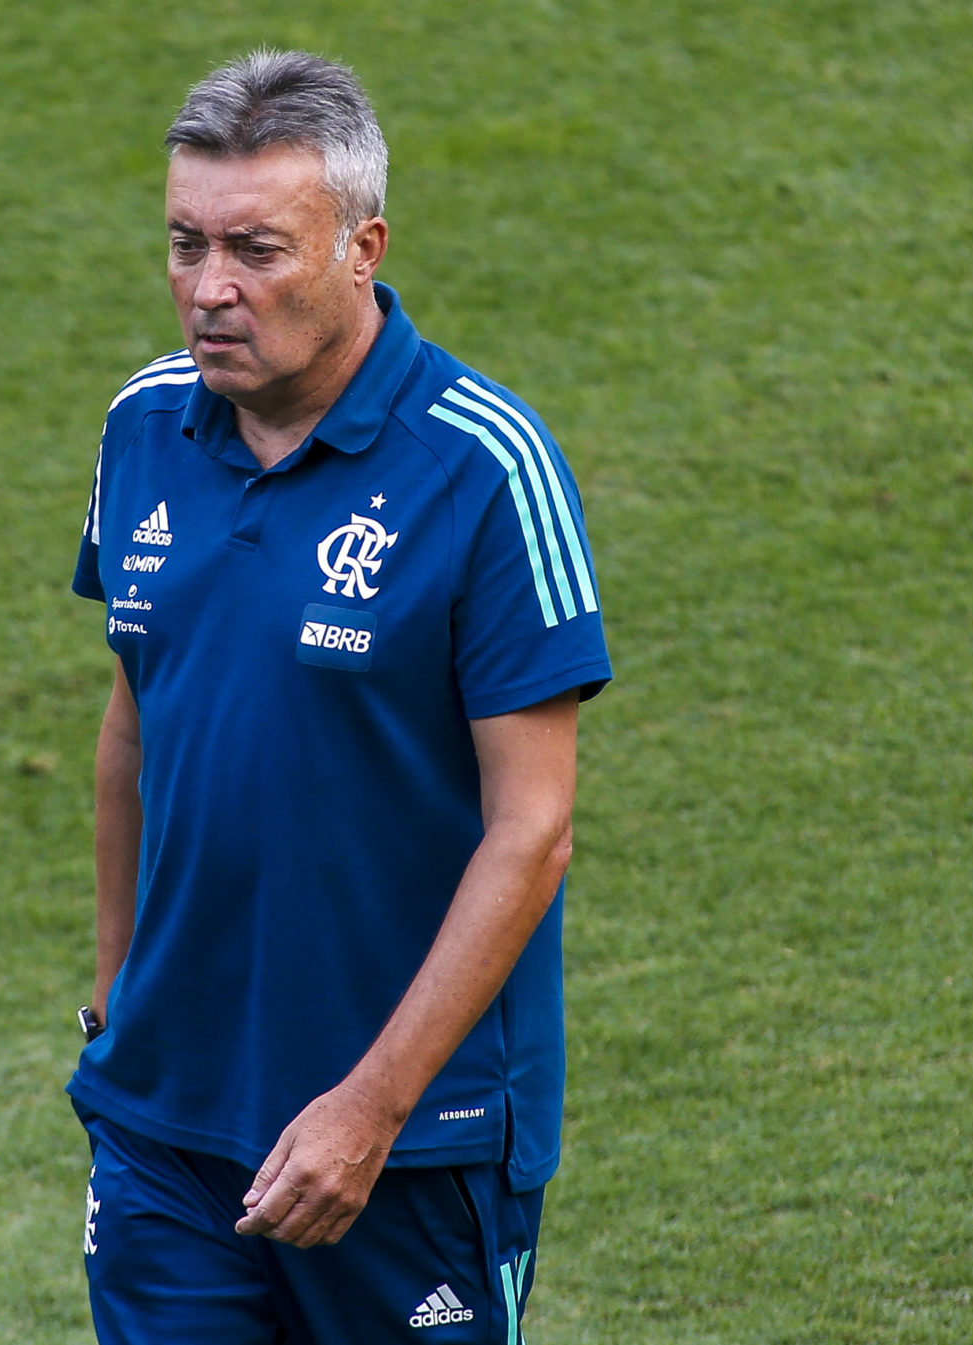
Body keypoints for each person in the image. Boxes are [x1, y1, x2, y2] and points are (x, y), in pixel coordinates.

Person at [68, 50, 612, 1343]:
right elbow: (137, 725)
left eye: (256, 249)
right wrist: (113, 1007)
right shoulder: (143, 425)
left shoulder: (485, 469)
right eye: (185, 244)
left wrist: (371, 1106)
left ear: (363, 245)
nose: (210, 290)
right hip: (166, 1128)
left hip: (413, 1145)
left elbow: (530, 829)